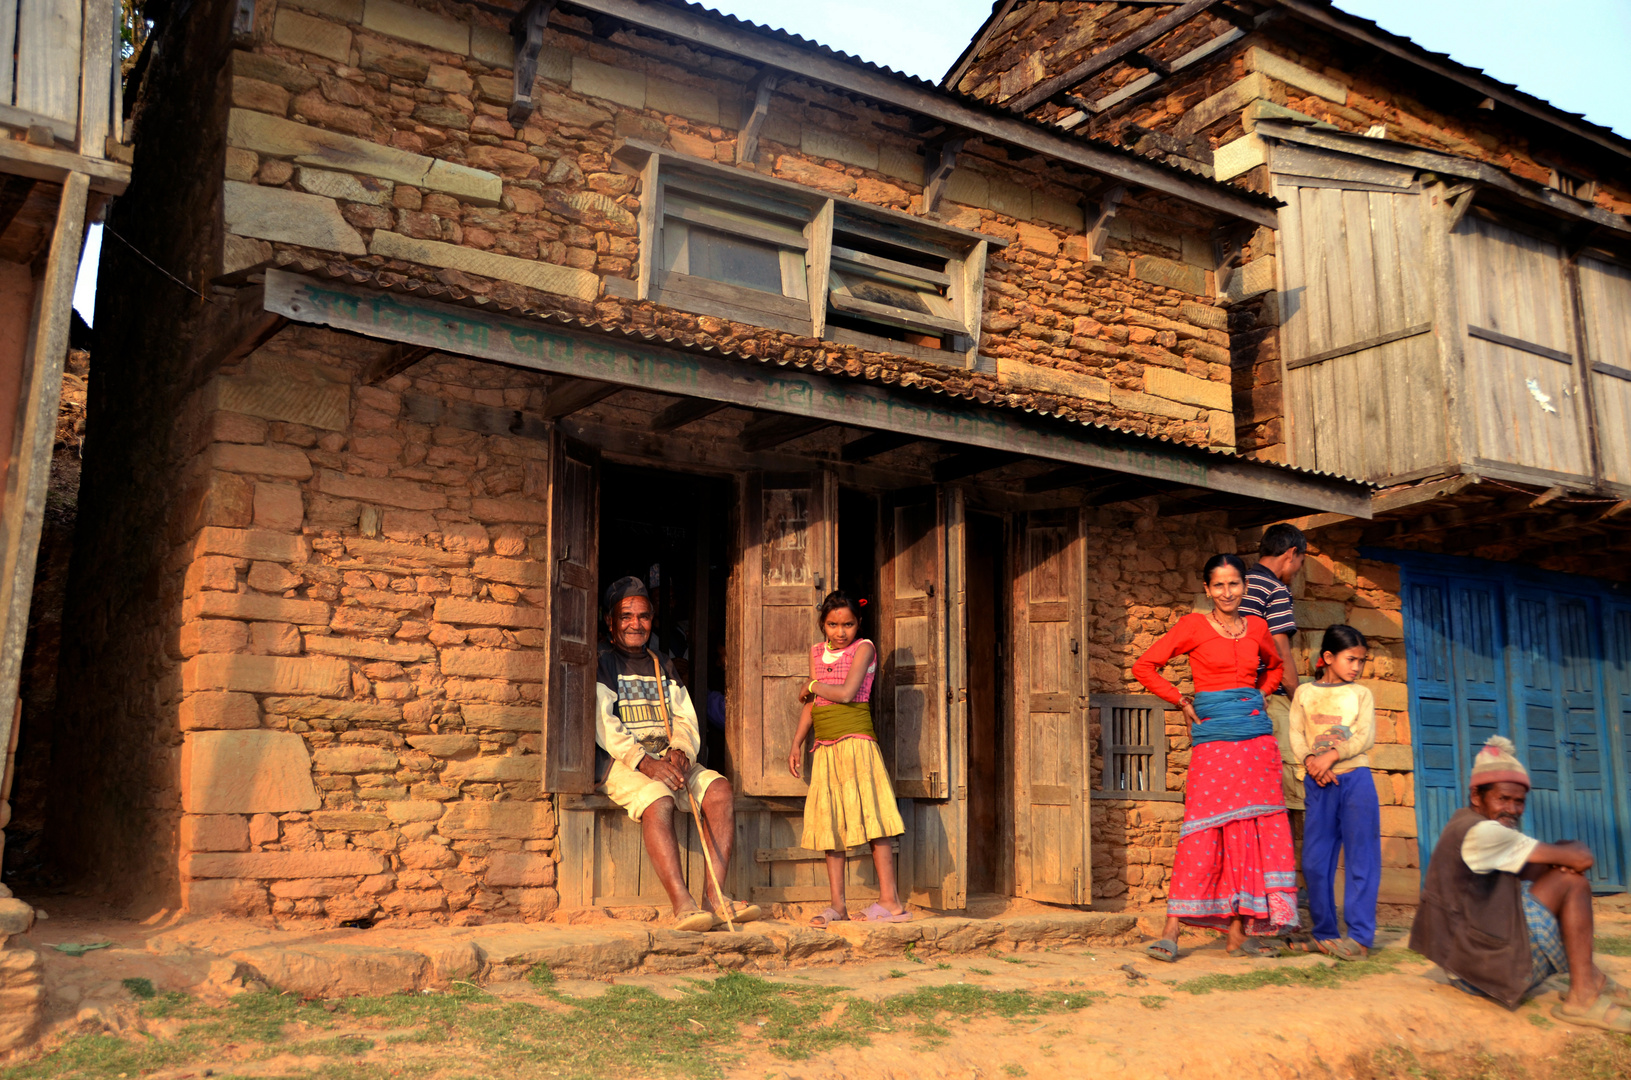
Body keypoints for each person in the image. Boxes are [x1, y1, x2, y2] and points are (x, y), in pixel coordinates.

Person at [1133, 553, 1298, 961]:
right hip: (1214, 740)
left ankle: (1240, 934)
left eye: (1234, 584)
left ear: (1245, 586)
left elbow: (1275, 667)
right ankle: (1171, 931)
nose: (1227, 592)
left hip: (1256, 741)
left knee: (1250, 830)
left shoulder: (1258, 626)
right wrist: (1181, 701)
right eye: (1219, 585)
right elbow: (1145, 665)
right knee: (1201, 829)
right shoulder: (1192, 626)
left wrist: (1260, 692)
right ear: (1207, 589)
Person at [1410, 736, 1630, 1030]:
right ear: (1477, 796)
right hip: (1476, 971)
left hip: (1465, 960)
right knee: (1572, 883)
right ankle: (1584, 996)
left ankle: (1592, 978)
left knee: (1542, 869)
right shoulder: (1484, 833)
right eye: (1503, 799)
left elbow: (1541, 862)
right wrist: (1569, 855)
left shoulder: (1468, 823)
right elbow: (1581, 859)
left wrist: (1559, 858)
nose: (1512, 809)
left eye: (1519, 802)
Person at [595, 575, 760, 932]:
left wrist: (682, 750)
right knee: (658, 798)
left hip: (666, 758)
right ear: (610, 621)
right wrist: (646, 763)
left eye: (643, 616)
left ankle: (715, 898)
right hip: (625, 762)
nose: (635, 624)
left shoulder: (662, 663)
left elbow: (685, 715)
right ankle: (683, 905)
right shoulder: (601, 660)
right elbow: (603, 724)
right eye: (626, 616)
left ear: (652, 620)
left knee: (719, 791)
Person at [787, 590, 908, 926]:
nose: (840, 632)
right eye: (832, 625)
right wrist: (797, 742)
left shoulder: (864, 648)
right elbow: (813, 705)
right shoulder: (816, 653)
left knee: (874, 818)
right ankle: (837, 906)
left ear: (858, 624)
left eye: (848, 624)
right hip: (825, 747)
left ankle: (891, 902)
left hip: (857, 743)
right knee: (830, 825)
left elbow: (845, 693)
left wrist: (811, 684)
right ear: (822, 625)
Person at [1288, 624, 1378, 961]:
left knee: (1361, 860)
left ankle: (1360, 937)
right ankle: (1324, 933)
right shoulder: (1305, 694)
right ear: (1328, 657)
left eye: (1361, 661)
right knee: (1314, 861)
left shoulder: (1361, 695)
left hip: (1356, 781)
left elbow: (1364, 736)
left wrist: (1331, 756)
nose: (1357, 667)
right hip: (1319, 784)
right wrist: (1311, 760)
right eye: (1351, 659)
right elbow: (1296, 734)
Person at [1238, 523, 1306, 813]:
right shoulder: (1275, 589)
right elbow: (1281, 653)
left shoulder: (1237, 584)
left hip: (1236, 696)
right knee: (1286, 790)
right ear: (1291, 553)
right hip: (1270, 696)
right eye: (1301, 562)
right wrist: (1300, 699)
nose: (1298, 570)